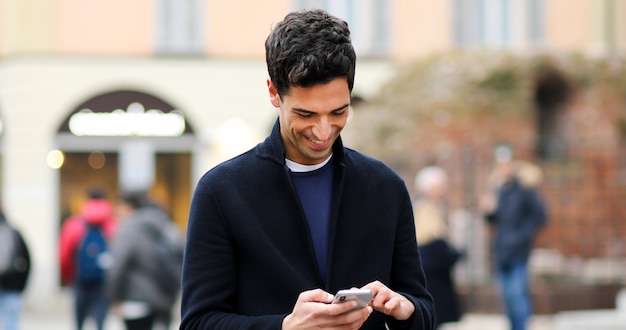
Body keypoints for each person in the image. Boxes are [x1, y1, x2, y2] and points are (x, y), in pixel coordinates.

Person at [180, 9, 435, 330]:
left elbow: (422, 305)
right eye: (306, 113)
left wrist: (405, 309)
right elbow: (198, 323)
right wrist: (285, 327)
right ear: (274, 92)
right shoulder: (221, 189)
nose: (324, 130)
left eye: (339, 111)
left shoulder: (384, 186)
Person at [481, 148, 547, 330]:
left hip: (518, 250)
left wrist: (521, 236)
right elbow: (495, 220)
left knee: (518, 295)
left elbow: (540, 216)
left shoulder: (525, 188)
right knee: (507, 298)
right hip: (502, 251)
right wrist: (488, 211)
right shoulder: (499, 190)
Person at [107, 191, 183, 330]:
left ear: (128, 206)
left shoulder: (129, 229)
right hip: (165, 297)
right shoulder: (166, 224)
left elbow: (118, 266)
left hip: (135, 301)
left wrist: (114, 297)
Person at [59, 187, 117, 330]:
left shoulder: (74, 224)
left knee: (79, 321)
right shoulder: (112, 224)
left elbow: (64, 255)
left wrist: (70, 277)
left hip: (80, 280)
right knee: (100, 321)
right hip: (103, 282)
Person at [413, 166, 462, 329]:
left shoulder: (430, 206)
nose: (444, 190)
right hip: (431, 271)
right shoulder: (425, 208)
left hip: (431, 269)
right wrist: (455, 254)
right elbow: (431, 238)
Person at [0, 211, 31, 330]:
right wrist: (21, 286)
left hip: (8, 285)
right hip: (12, 286)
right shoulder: (14, 234)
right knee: (11, 323)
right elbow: (27, 260)